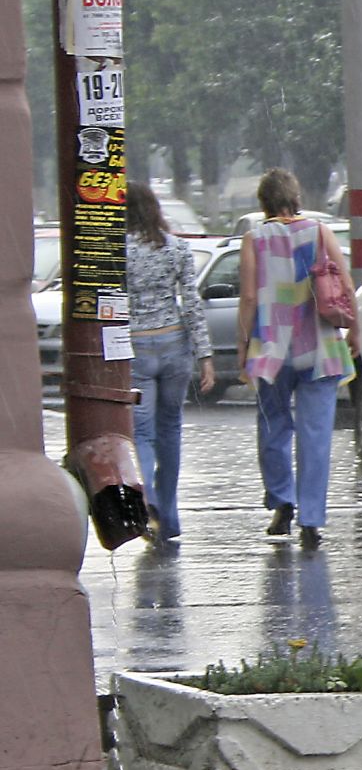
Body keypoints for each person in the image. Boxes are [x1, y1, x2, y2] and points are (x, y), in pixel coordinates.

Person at [236, 169, 355, 550]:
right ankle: (311, 520)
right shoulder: (320, 232)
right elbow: (344, 282)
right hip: (318, 346)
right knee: (315, 434)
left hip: (271, 348)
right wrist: (357, 330)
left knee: (273, 427)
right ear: (296, 197)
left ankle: (282, 501)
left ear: (263, 201)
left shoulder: (254, 240)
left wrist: (243, 348)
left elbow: (250, 299)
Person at [125, 182, 214, 546]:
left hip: (136, 346)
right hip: (175, 343)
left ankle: (148, 500)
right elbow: (191, 302)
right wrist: (205, 354)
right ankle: (171, 516)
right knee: (171, 429)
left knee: (141, 432)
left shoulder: (118, 251)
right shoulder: (176, 248)